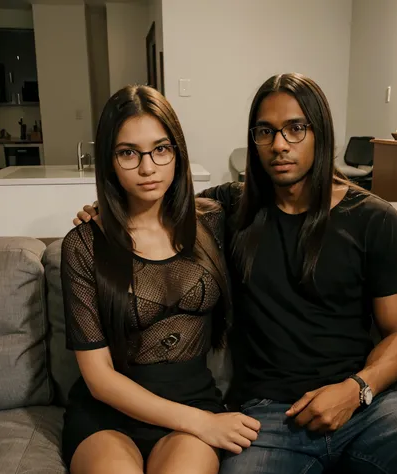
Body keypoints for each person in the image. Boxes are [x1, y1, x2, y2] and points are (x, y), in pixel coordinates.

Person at [74, 74, 397, 474]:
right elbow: (158, 205)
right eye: (265, 131)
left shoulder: (374, 219)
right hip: (269, 415)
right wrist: (104, 210)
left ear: (321, 132)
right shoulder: (229, 210)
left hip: (367, 404)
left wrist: (357, 389)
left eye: (295, 128)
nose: (279, 144)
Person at [61, 85, 261, 474]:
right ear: (110, 161)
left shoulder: (213, 220)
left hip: (192, 401)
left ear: (177, 153)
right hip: (107, 415)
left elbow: (284, 187)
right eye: (128, 153)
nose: (148, 167)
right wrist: (205, 424)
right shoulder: (84, 245)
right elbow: (99, 379)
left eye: (161, 149)